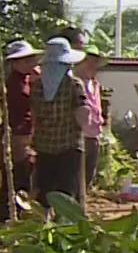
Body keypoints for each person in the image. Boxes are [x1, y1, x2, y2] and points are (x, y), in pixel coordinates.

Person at [31, 37, 88, 215]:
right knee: (67, 192)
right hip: (69, 145)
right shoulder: (73, 85)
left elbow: (34, 114)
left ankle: (44, 223)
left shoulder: (37, 86)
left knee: (45, 190)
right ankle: (65, 226)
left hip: (44, 145)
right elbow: (82, 113)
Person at [1, 40, 41, 210]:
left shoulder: (26, 80)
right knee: (19, 173)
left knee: (25, 173)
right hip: (18, 134)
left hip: (26, 132)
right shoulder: (14, 84)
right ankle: (10, 211)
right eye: (26, 60)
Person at [75, 49, 105, 190]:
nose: (93, 65)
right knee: (77, 173)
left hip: (94, 132)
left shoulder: (95, 84)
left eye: (95, 62)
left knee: (89, 172)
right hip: (81, 133)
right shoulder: (76, 83)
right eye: (89, 61)